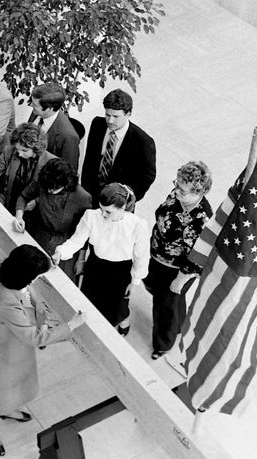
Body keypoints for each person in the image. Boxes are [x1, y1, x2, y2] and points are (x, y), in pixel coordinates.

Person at [0, 245, 85, 456]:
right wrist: (70, 326)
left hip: (18, 349)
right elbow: (36, 338)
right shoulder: (7, 302)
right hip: (6, 353)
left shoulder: (14, 282)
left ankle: (8, 409)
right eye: (36, 276)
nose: (36, 281)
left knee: (13, 386)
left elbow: (29, 298)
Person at [53, 183, 150, 335]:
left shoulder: (137, 225)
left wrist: (135, 282)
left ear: (123, 207)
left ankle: (115, 325)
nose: (103, 215)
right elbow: (77, 240)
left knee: (115, 308)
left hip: (120, 273)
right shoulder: (91, 216)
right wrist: (61, 252)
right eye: (101, 209)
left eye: (108, 212)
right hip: (95, 268)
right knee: (89, 303)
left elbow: (141, 256)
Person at [144, 161, 213, 359]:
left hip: (176, 271)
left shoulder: (202, 219)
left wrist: (180, 281)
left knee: (164, 305)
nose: (176, 191)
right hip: (158, 258)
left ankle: (163, 343)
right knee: (171, 300)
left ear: (199, 192)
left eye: (183, 190)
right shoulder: (178, 195)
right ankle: (179, 324)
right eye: (177, 185)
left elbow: (198, 257)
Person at [13, 158, 92, 281]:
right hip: (39, 238)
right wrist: (19, 216)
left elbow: (84, 232)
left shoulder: (83, 197)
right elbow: (24, 196)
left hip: (65, 248)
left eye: (53, 189)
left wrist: (81, 259)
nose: (49, 191)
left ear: (66, 184)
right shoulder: (43, 182)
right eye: (47, 188)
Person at [80, 89, 157, 208]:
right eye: (107, 115)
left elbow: (147, 176)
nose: (110, 121)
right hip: (90, 196)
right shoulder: (97, 125)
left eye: (116, 116)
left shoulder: (143, 142)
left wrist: (127, 199)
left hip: (117, 204)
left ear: (128, 113)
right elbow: (89, 160)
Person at [0, 123, 57, 214]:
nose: (19, 154)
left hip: (30, 212)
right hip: (6, 202)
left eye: (24, 151)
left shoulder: (52, 163)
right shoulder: (10, 151)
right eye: (17, 149)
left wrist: (37, 201)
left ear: (37, 148)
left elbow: (56, 194)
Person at [27, 83, 80, 170]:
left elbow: (69, 172)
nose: (31, 105)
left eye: (35, 105)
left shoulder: (69, 137)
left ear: (50, 109)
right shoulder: (37, 112)